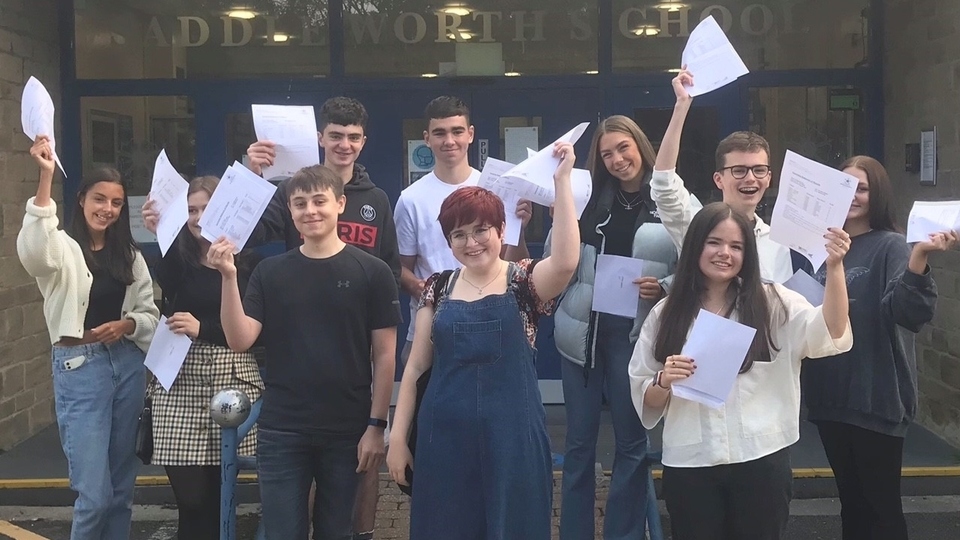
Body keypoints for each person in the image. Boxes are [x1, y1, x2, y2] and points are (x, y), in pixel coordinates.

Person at [387, 141, 579, 539]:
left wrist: (562, 184)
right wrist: (398, 439)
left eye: (481, 231)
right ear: (448, 240)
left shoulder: (523, 281)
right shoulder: (437, 288)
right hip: (444, 439)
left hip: (514, 441)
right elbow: (417, 368)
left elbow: (564, 262)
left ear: (501, 229)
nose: (472, 243)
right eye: (459, 235)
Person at [629, 202, 853, 540]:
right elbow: (645, 393)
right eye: (714, 242)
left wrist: (835, 267)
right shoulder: (666, 313)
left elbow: (830, 330)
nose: (725, 253)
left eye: (737, 246)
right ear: (695, 247)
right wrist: (664, 381)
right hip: (692, 462)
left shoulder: (774, 302)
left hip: (760, 458)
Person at [210, 164, 401, 539]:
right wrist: (229, 278)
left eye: (319, 201)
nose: (310, 210)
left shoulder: (373, 272)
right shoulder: (270, 272)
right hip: (283, 429)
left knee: (336, 532)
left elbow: (385, 356)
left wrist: (376, 427)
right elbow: (240, 339)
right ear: (291, 212)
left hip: (348, 429)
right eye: (300, 204)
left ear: (340, 204)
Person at [802, 155, 957, 540]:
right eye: (845, 187)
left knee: (881, 509)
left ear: (878, 194)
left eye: (863, 188)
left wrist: (919, 258)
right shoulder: (819, 246)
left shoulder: (891, 245)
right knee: (851, 503)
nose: (853, 196)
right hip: (830, 397)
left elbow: (908, 313)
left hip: (876, 397)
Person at [552, 114, 690, 539]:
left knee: (632, 448)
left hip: (635, 341)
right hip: (582, 337)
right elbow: (558, 255)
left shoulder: (670, 199)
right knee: (578, 447)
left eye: (622, 148)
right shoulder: (590, 197)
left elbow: (697, 262)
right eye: (606, 153)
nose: (616, 159)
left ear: (640, 146)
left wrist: (665, 285)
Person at [17, 136, 159, 540]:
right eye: (99, 199)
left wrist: (128, 324)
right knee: (94, 496)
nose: (107, 210)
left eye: (116, 203)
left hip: (126, 366)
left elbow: (149, 312)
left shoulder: (129, 255)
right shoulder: (61, 248)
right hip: (80, 368)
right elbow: (33, 251)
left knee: (120, 491)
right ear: (81, 199)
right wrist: (45, 177)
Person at [141, 176, 264, 540]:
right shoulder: (177, 258)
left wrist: (203, 327)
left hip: (231, 377)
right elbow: (172, 298)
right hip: (180, 379)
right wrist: (159, 229)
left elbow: (254, 328)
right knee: (192, 501)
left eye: (206, 209)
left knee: (220, 495)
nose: (197, 218)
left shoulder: (250, 261)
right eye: (190, 210)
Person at [394, 95, 531, 368]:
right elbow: (400, 269)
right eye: (439, 133)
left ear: (470, 134)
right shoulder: (410, 199)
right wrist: (428, 291)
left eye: (457, 131)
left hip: (491, 322)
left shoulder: (497, 189)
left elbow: (516, 265)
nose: (449, 140)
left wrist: (520, 229)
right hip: (430, 330)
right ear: (427, 138)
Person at [650, 67, 802, 283]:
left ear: (769, 178)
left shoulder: (777, 243)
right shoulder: (696, 225)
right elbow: (663, 183)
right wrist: (681, 107)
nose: (750, 178)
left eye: (759, 170)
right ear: (718, 179)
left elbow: (782, 309)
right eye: (739, 170)